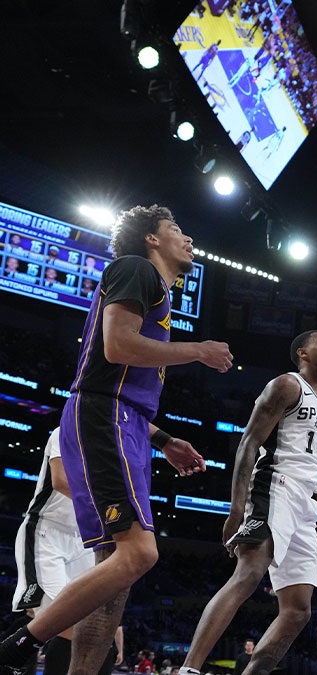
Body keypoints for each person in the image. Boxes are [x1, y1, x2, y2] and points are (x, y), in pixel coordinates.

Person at [0, 205, 232, 675]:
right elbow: (117, 347)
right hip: (106, 416)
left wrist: (163, 439)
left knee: (115, 577)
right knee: (139, 553)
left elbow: (118, 378)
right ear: (151, 239)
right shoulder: (136, 269)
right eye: (177, 228)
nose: (187, 238)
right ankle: (20, 645)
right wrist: (199, 351)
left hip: (123, 419)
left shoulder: (153, 288)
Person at [179, 331, 317, 675]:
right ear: (303, 353)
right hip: (276, 487)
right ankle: (189, 670)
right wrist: (236, 509)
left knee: (298, 610)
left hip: (306, 504)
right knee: (248, 574)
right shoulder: (287, 384)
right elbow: (249, 443)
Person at [10, 428, 122, 675]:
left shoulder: (115, 445)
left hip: (85, 541)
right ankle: (7, 657)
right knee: (58, 621)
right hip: (47, 531)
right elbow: (61, 481)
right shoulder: (67, 431)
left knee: (93, 630)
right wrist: (111, 510)